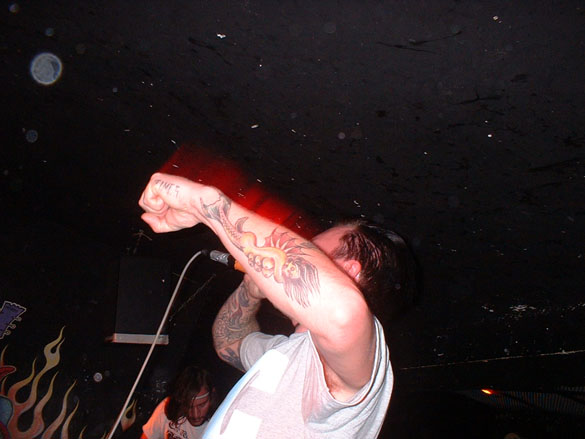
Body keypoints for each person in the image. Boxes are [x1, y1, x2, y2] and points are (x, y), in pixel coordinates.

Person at [139, 173, 417, 438]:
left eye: (313, 250)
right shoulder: (288, 353)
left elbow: (342, 314)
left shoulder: (366, 359)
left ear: (348, 272)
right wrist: (250, 291)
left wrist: (204, 203)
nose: (298, 251)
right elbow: (228, 342)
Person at [141, 365, 215, 439]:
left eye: (201, 405)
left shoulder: (216, 427)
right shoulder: (167, 406)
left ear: (211, 397)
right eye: (189, 406)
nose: (195, 414)